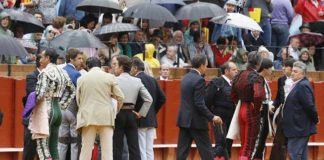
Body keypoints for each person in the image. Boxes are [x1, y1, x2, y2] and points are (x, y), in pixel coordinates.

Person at [29, 48, 75, 160]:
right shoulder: (62, 72)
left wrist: (30, 106)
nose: (40, 59)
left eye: (42, 57)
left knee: (43, 146)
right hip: (57, 111)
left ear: (48, 58)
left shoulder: (44, 73)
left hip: (45, 111)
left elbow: (40, 94)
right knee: (53, 145)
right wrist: (62, 105)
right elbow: (72, 90)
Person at [76, 57, 124, 160]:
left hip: (87, 116)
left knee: (85, 151)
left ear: (88, 66)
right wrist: (115, 111)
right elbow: (120, 97)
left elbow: (78, 100)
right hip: (106, 116)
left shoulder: (81, 79)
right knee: (107, 152)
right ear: (100, 66)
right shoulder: (110, 77)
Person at [176, 54, 223, 160]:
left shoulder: (185, 78)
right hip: (197, 122)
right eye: (206, 65)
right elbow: (199, 103)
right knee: (207, 152)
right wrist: (212, 117)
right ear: (201, 66)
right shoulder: (199, 80)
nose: (206, 68)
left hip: (184, 120)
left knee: (181, 153)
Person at [113, 55, 153, 160]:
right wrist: (141, 113)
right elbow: (149, 99)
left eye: (116, 65)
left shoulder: (114, 80)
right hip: (131, 114)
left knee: (117, 146)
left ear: (121, 67)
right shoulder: (137, 81)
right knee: (134, 146)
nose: (114, 67)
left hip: (118, 113)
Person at [229, 51, 265, 159]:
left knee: (244, 142)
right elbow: (258, 95)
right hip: (251, 109)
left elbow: (232, 95)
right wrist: (257, 109)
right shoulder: (256, 76)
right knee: (249, 144)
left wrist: (238, 103)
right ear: (258, 63)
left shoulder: (239, 74)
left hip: (241, 109)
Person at [130, 58, 166, 160]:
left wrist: (140, 112)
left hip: (140, 118)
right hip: (151, 119)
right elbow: (163, 98)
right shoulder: (153, 79)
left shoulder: (136, 80)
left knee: (141, 149)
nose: (130, 70)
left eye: (131, 68)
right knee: (149, 149)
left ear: (135, 68)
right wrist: (153, 111)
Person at [282, 61, 319, 160]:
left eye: (296, 71)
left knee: (294, 154)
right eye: (293, 71)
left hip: (299, 128)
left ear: (303, 74)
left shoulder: (302, 86)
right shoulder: (299, 84)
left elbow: (310, 106)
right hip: (297, 127)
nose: (292, 73)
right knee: (300, 155)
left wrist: (315, 119)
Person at [205, 61, 238, 159]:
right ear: (226, 71)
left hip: (231, 119)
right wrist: (212, 116)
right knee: (220, 143)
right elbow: (207, 100)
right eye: (234, 69)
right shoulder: (217, 82)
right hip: (219, 119)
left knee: (228, 143)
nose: (237, 71)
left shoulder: (233, 84)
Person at [58, 48, 83, 160]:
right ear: (71, 59)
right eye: (79, 58)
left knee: (62, 141)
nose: (81, 61)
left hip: (59, 108)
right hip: (73, 109)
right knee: (74, 142)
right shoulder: (77, 74)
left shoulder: (59, 71)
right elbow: (80, 94)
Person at [270, 58, 296, 160]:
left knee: (293, 139)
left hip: (294, 114)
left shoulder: (298, 81)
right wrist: (273, 105)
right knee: (280, 140)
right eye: (283, 66)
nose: (283, 68)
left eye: (286, 66)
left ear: (292, 68)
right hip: (283, 113)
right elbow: (278, 98)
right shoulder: (281, 80)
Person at [23, 54, 44, 160]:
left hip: (44, 118)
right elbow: (33, 95)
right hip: (32, 118)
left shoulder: (48, 76)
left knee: (43, 151)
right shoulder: (32, 76)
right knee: (30, 150)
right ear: (41, 61)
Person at [253, 58, 274, 159]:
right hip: (260, 113)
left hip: (264, 112)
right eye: (270, 68)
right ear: (265, 69)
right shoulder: (258, 79)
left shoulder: (262, 79)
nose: (272, 71)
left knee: (261, 140)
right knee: (258, 140)